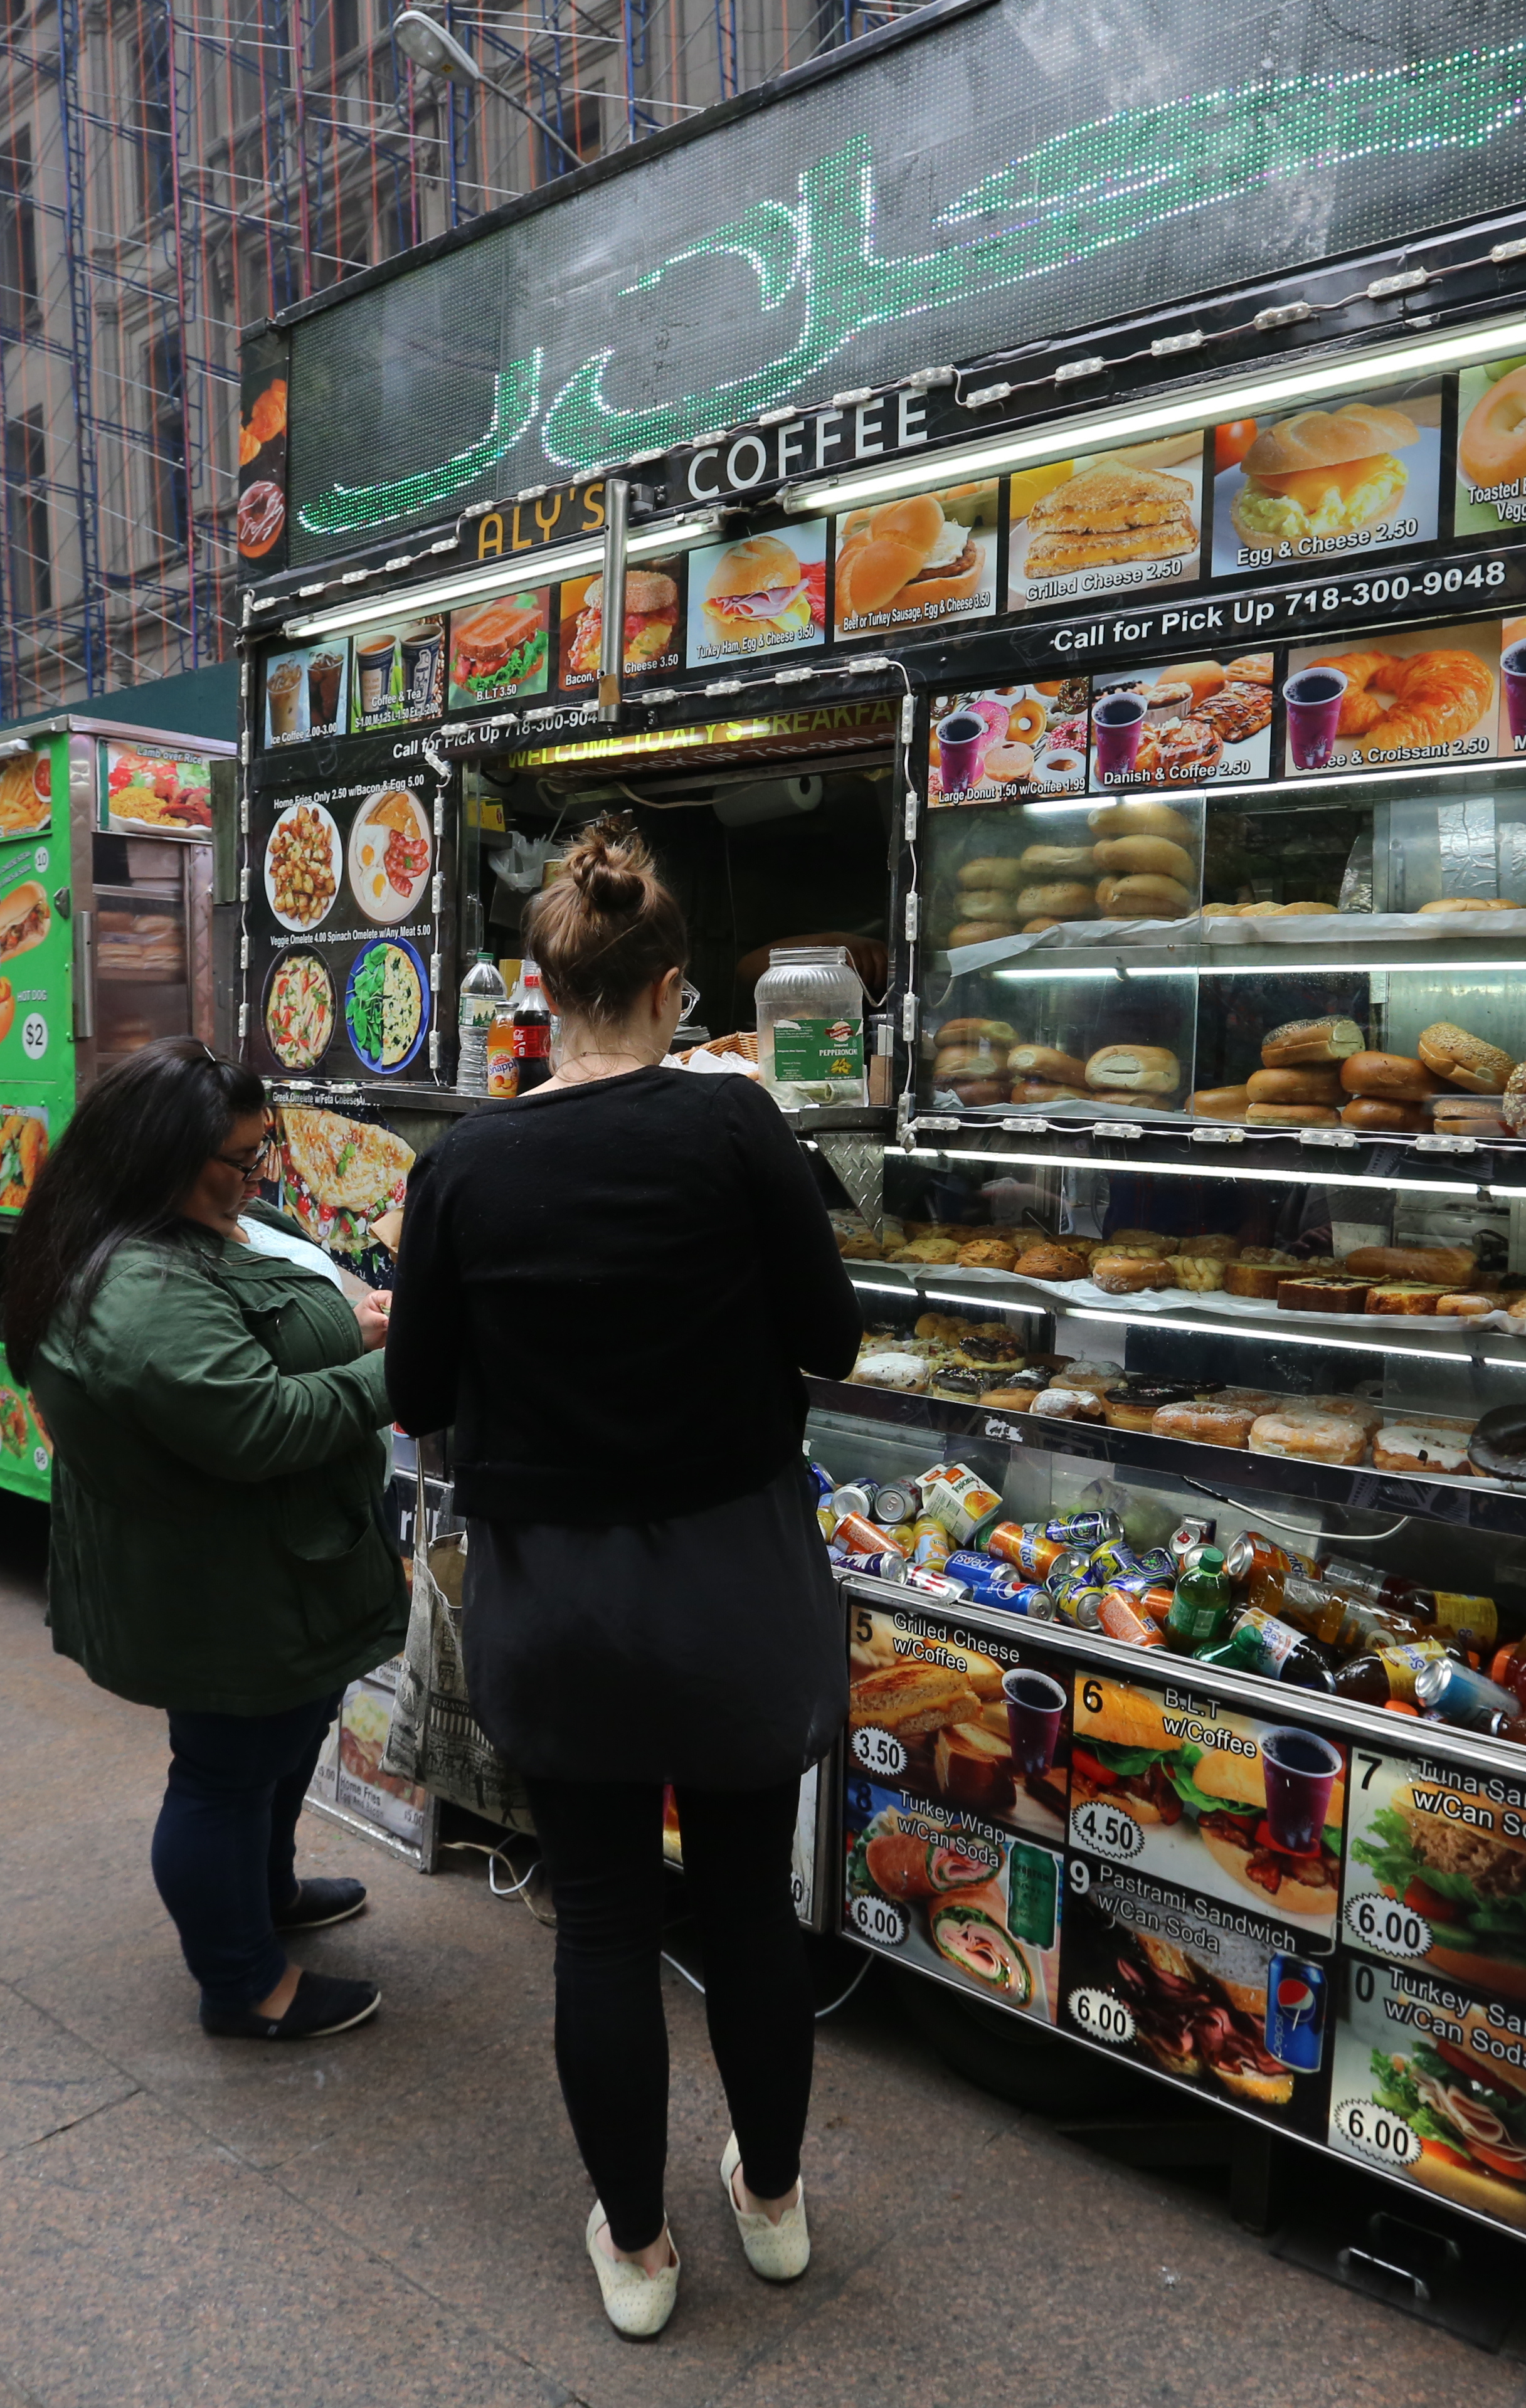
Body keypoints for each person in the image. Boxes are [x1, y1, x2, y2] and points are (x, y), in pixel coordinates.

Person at [384, 818, 860, 2338]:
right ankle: (773, 2205)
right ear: (669, 988)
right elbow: (831, 1337)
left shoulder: (464, 1164)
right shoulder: (737, 1130)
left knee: (597, 1919)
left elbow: (411, 1390)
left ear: (540, 982)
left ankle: (640, 2251)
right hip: (735, 1583)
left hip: (558, 1600)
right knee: (739, 1904)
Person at [4, 1038, 400, 2043]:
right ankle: (242, 1983)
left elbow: (254, 1346)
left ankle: (264, 1894)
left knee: (278, 1743)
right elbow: (257, 1423)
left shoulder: (178, 1227)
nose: (256, 1176)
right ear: (158, 1157)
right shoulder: (139, 1288)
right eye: (241, 1160)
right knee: (224, 1772)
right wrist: (408, 1374)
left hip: (271, 1568)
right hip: (224, 1586)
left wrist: (350, 1332)